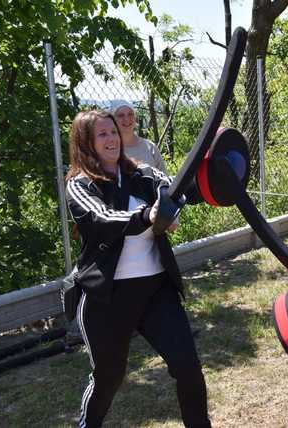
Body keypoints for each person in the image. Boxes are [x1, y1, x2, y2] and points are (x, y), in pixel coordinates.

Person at [65, 110, 211, 428]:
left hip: (156, 290)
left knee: (188, 367)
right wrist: (148, 216)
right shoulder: (80, 185)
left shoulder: (142, 174)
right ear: (85, 142)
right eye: (102, 134)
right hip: (107, 299)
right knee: (109, 378)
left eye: (113, 132)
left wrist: (208, 180)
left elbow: (178, 190)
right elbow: (101, 218)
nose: (112, 139)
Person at [110, 100, 168, 173]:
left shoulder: (150, 148)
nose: (126, 119)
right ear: (113, 120)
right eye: (121, 115)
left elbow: (164, 179)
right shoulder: (110, 149)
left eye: (130, 114)